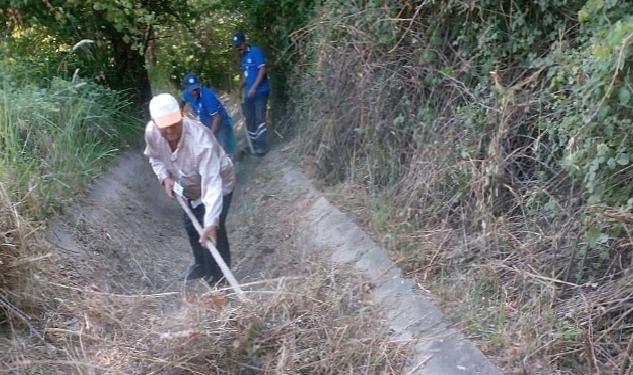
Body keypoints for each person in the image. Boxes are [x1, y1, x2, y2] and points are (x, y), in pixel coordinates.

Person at [144, 93, 235, 284]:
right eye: (164, 125)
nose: (170, 130)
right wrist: (165, 178)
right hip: (188, 186)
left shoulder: (201, 142)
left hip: (218, 183)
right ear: (154, 122)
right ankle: (201, 265)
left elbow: (212, 184)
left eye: (174, 123)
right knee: (191, 226)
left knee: (212, 230)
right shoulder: (152, 132)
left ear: (181, 115)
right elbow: (155, 158)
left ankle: (218, 282)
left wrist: (211, 222)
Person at [181, 73, 236, 157]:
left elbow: (217, 118)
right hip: (206, 124)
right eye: (192, 89)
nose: (195, 91)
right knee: (209, 150)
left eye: (196, 88)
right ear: (187, 89)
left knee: (221, 148)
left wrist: (211, 136)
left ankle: (229, 163)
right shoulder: (186, 94)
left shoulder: (208, 97)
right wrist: (179, 112)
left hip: (221, 123)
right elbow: (183, 101)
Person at [233, 31, 270, 156]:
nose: (238, 48)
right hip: (250, 93)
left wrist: (254, 87)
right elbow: (245, 75)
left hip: (260, 92)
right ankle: (253, 143)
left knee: (260, 117)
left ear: (244, 42)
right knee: (250, 118)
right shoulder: (243, 58)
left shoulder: (255, 52)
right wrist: (239, 89)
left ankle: (261, 146)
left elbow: (262, 69)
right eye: (236, 46)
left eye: (239, 45)